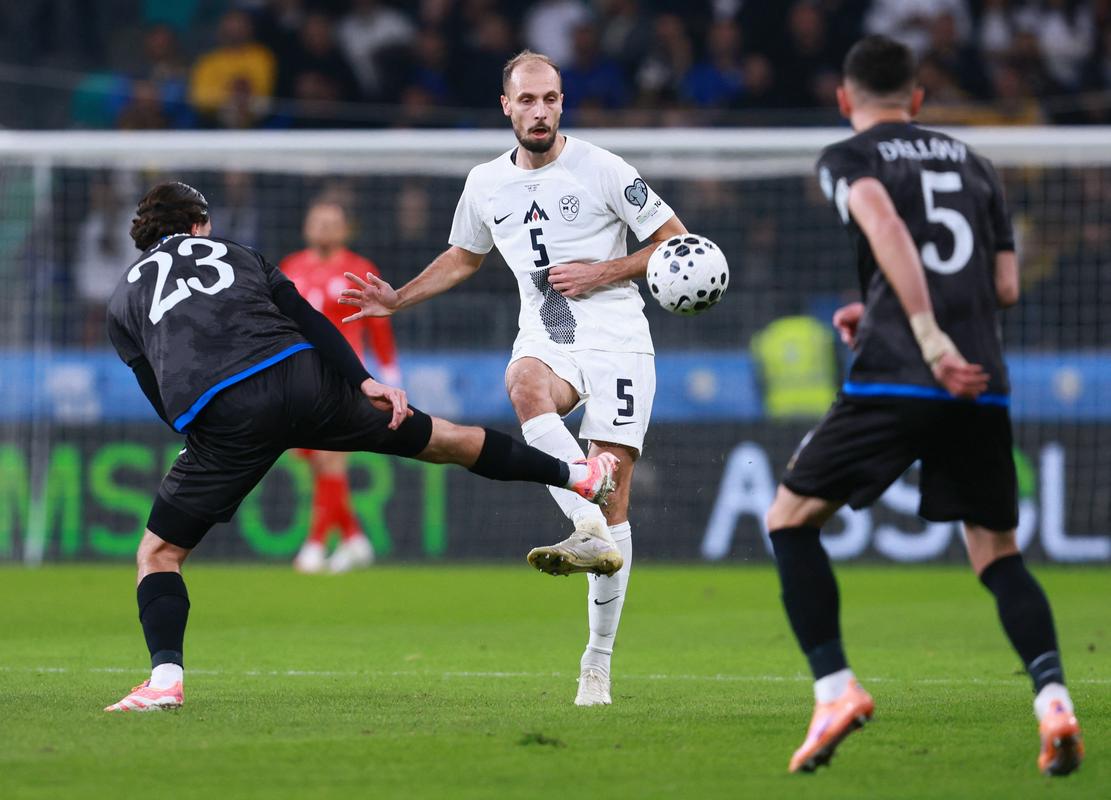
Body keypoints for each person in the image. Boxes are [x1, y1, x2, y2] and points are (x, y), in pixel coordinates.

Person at [103, 181, 618, 712]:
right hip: (305, 380)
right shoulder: (237, 253)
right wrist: (363, 381)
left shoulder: (121, 300)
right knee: (446, 440)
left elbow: (161, 396)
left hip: (226, 413)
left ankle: (165, 680)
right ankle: (579, 476)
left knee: (159, 553)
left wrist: (207, 443)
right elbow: (307, 319)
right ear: (196, 225)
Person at [765, 35, 1084, 776]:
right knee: (997, 553)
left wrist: (924, 336)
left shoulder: (848, 158)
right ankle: (1052, 701)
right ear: (916, 99)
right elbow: (1003, 288)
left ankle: (835, 689)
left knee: (788, 520)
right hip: (982, 378)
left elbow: (883, 224)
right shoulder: (975, 163)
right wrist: (884, 309)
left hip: (903, 375)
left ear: (846, 101)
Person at [340, 51, 686, 707]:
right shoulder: (485, 183)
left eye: (550, 99)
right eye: (526, 100)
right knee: (522, 382)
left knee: (616, 503)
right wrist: (398, 299)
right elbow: (463, 256)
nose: (539, 111)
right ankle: (584, 524)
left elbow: (675, 241)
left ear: (561, 103)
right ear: (505, 106)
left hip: (617, 338)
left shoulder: (603, 169)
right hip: (548, 332)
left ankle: (596, 660)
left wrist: (603, 271)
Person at [282, 199, 401, 573]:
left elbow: (378, 325)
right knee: (314, 461)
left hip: (346, 376)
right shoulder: (291, 267)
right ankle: (353, 539)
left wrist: (390, 374)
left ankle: (314, 546)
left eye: (332, 222)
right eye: (317, 220)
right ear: (306, 226)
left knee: (329, 457)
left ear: (346, 230)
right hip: (297, 375)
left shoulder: (359, 269)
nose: (323, 228)